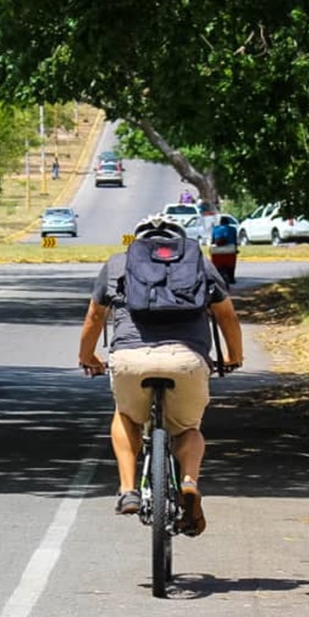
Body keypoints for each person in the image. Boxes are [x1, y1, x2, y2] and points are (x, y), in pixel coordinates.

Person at [77, 215, 243, 537]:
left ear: (137, 241)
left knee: (126, 416)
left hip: (131, 360)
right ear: (179, 241)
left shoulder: (118, 264)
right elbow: (227, 316)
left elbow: (94, 317)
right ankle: (189, 482)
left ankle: (128, 489)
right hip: (187, 360)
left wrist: (87, 357)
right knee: (188, 429)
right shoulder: (200, 264)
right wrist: (234, 356)